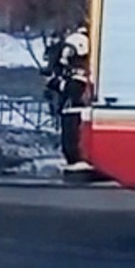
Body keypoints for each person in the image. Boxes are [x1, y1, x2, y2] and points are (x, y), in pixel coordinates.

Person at [43, 25, 91, 170]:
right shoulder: (73, 67)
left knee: (71, 140)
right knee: (68, 139)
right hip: (69, 108)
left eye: (70, 50)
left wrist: (55, 83)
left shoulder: (80, 70)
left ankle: (76, 161)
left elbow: (73, 89)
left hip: (74, 109)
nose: (66, 54)